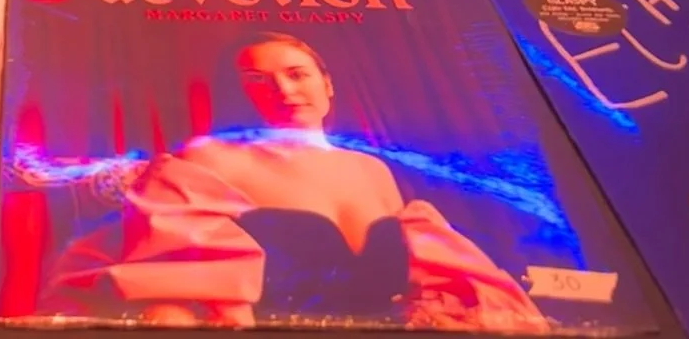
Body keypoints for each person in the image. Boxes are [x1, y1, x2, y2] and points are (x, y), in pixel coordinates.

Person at [54, 34, 545, 330]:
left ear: (326, 84)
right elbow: (163, 287)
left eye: (296, 74)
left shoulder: (374, 169)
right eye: (260, 81)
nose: (285, 90)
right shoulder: (210, 158)